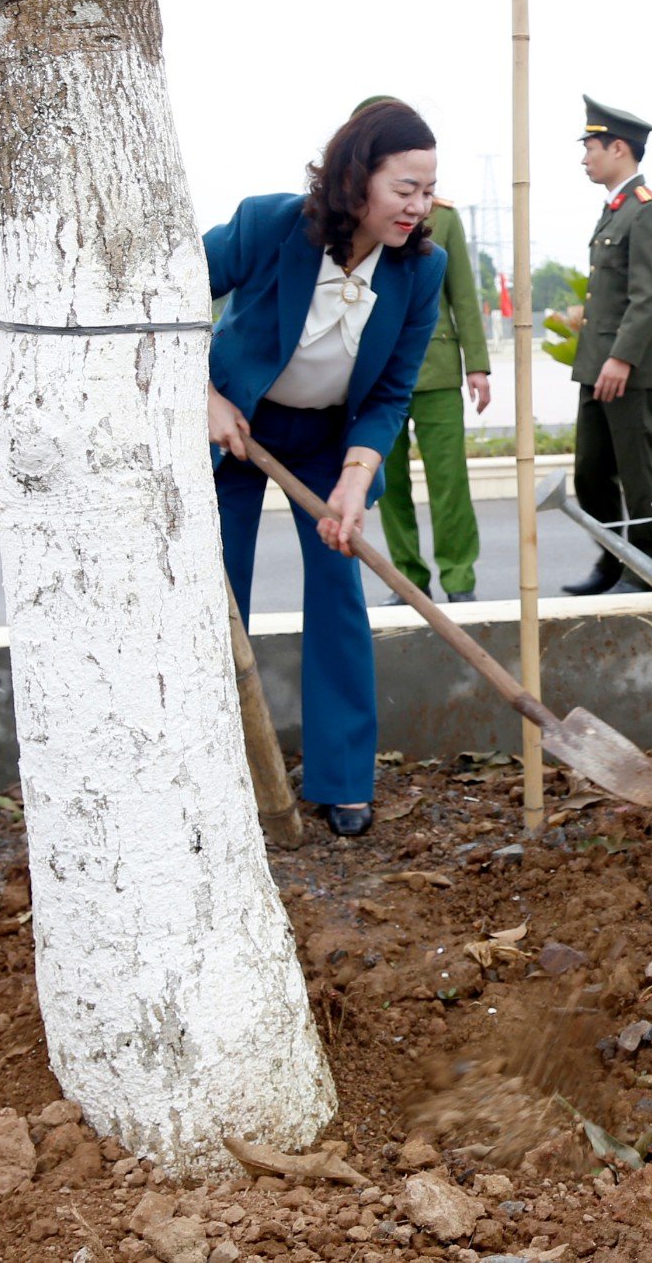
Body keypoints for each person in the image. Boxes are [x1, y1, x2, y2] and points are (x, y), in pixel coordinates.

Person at [204, 99, 445, 838]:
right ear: (356, 177)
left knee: (340, 583)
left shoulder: (422, 267)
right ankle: (216, 773)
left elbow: (393, 388)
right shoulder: (271, 224)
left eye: (429, 190)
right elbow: (166, 292)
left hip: (325, 441)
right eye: (405, 186)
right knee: (216, 592)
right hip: (234, 423)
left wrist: (354, 478)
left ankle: (341, 778)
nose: (419, 205)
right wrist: (204, 395)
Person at [562, 97, 652, 597]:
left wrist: (621, 357)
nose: (585, 157)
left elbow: (649, 296)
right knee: (590, 474)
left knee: (640, 476)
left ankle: (645, 567)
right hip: (598, 366)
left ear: (619, 148)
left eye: (591, 148)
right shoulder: (614, 211)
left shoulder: (648, 211)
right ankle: (612, 558)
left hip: (629, 369)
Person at [380, 188, 491, 605]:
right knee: (386, 483)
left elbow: (463, 293)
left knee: (449, 482)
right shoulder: (358, 214)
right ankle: (406, 580)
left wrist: (477, 364)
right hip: (377, 369)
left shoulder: (443, 217)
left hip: (437, 367)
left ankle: (459, 578)